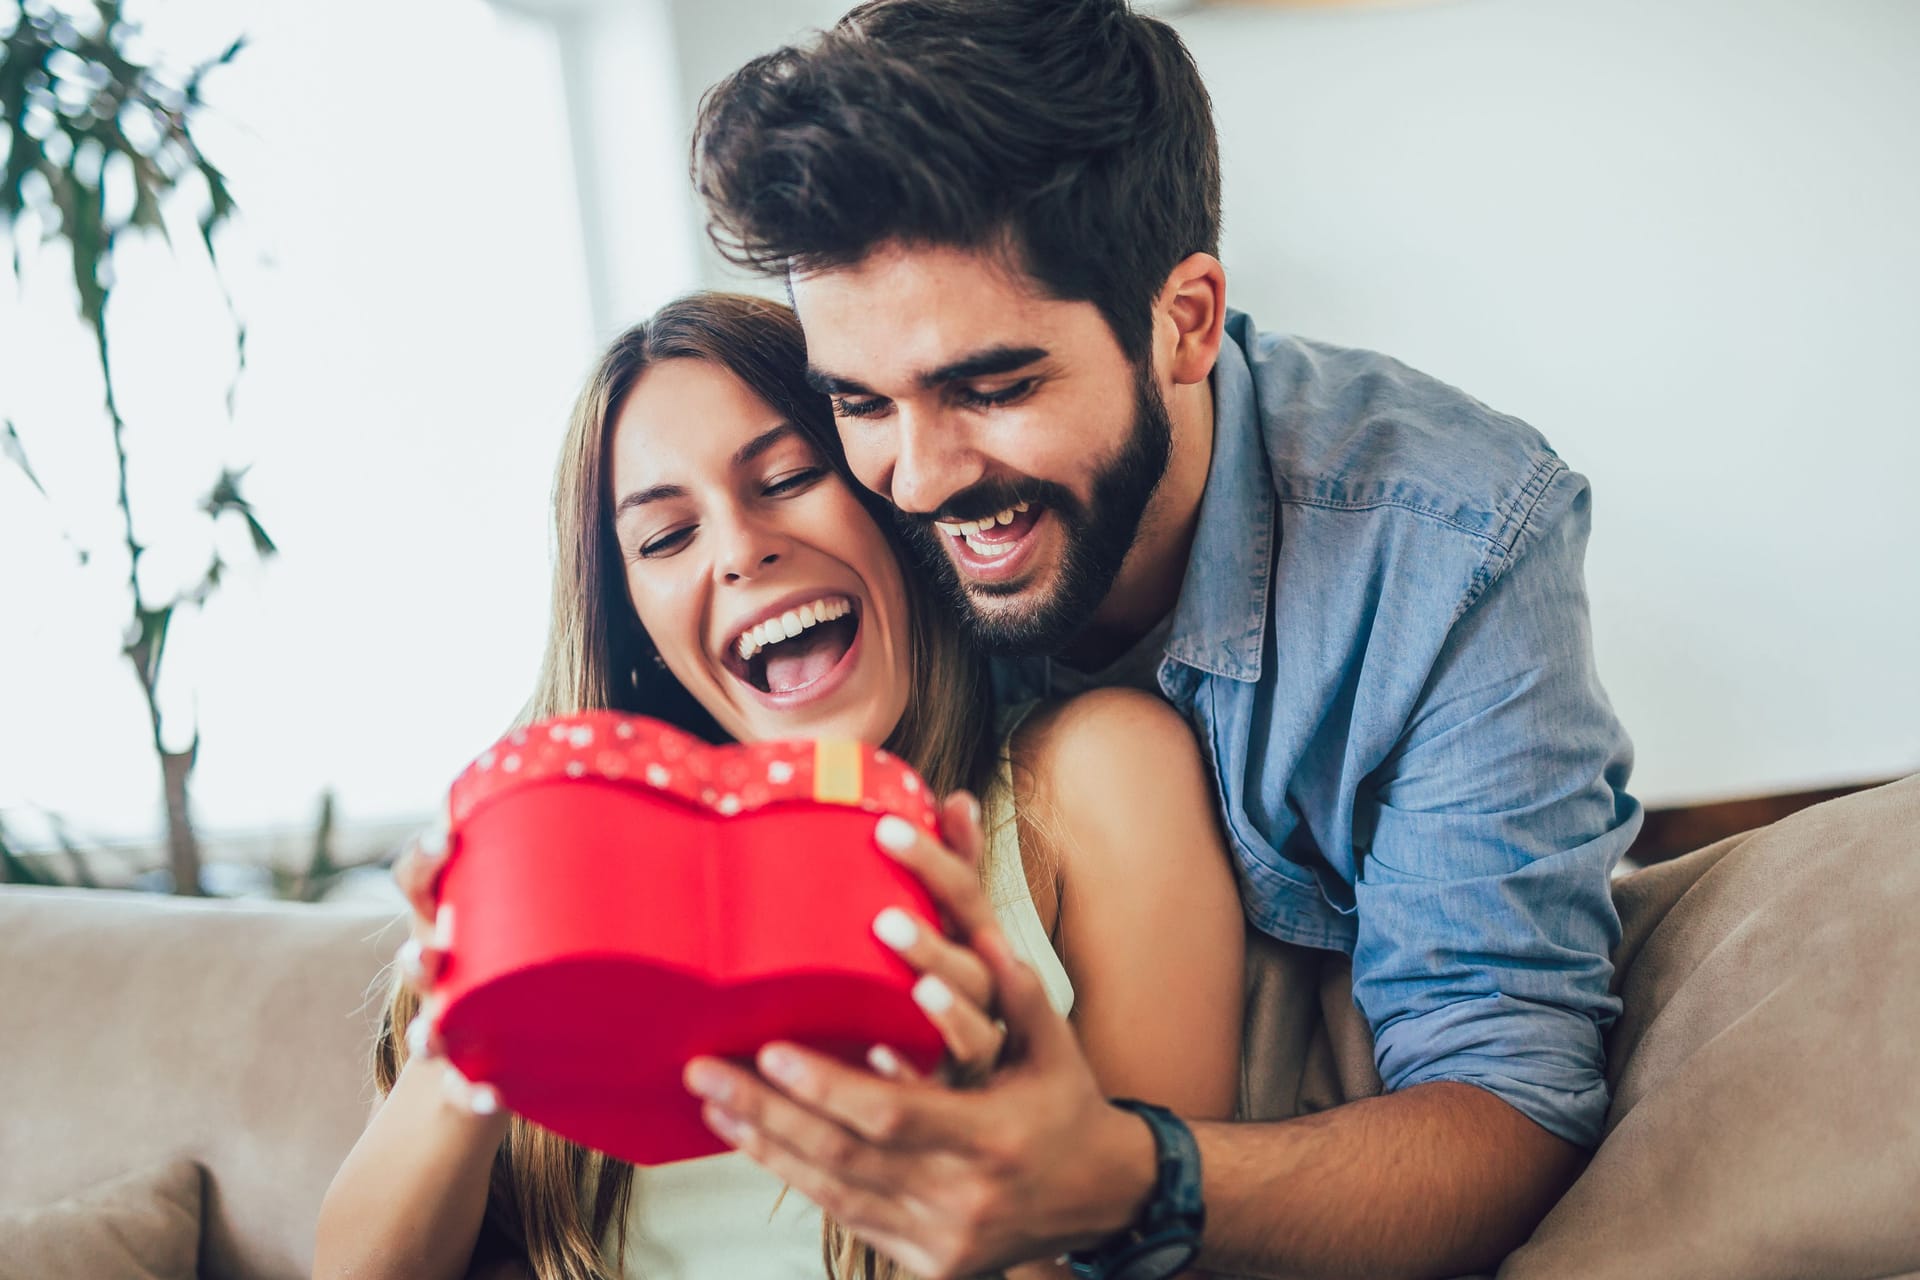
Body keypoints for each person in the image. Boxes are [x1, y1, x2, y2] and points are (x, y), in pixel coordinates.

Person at [678, 3, 1636, 1278]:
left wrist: (1128, 1174)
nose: (916, 477)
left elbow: (1509, 1106)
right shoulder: (838, 510)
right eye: (861, 400)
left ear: (1185, 319)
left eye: (995, 386)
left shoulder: (1455, 534)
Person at [311, 292, 1246, 1280]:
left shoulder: (1096, 776)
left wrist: (979, 1141)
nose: (738, 546)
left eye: (790, 476)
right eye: (667, 536)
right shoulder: (595, 878)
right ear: (638, 627)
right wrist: (467, 1048)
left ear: (891, 497)